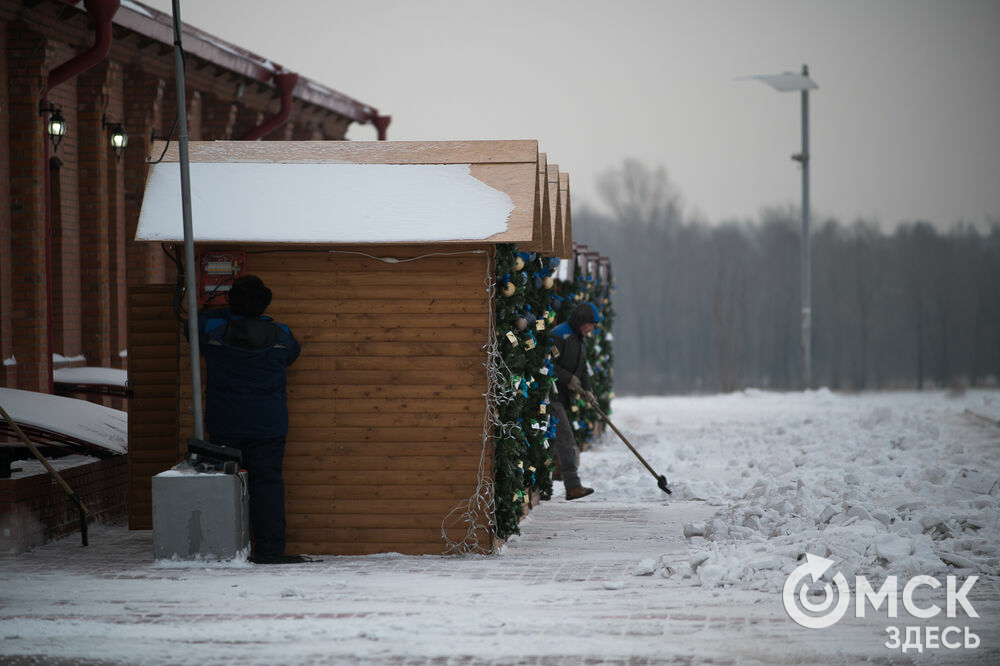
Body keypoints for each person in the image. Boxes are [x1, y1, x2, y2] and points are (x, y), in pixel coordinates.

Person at [195, 275, 302, 564]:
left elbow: (193, 320)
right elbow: (293, 354)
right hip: (268, 425)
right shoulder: (282, 334)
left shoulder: (214, 330)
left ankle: (223, 548)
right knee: (267, 484)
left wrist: (230, 309)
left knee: (225, 484)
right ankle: (269, 550)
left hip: (225, 423)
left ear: (232, 302)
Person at [548, 301, 601, 500]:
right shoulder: (559, 335)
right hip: (550, 395)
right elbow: (547, 365)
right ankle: (572, 486)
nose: (592, 328)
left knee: (557, 441)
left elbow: (583, 370)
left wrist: (587, 391)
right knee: (566, 440)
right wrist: (568, 378)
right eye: (590, 324)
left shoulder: (580, 339)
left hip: (563, 397)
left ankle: (547, 484)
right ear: (581, 321)